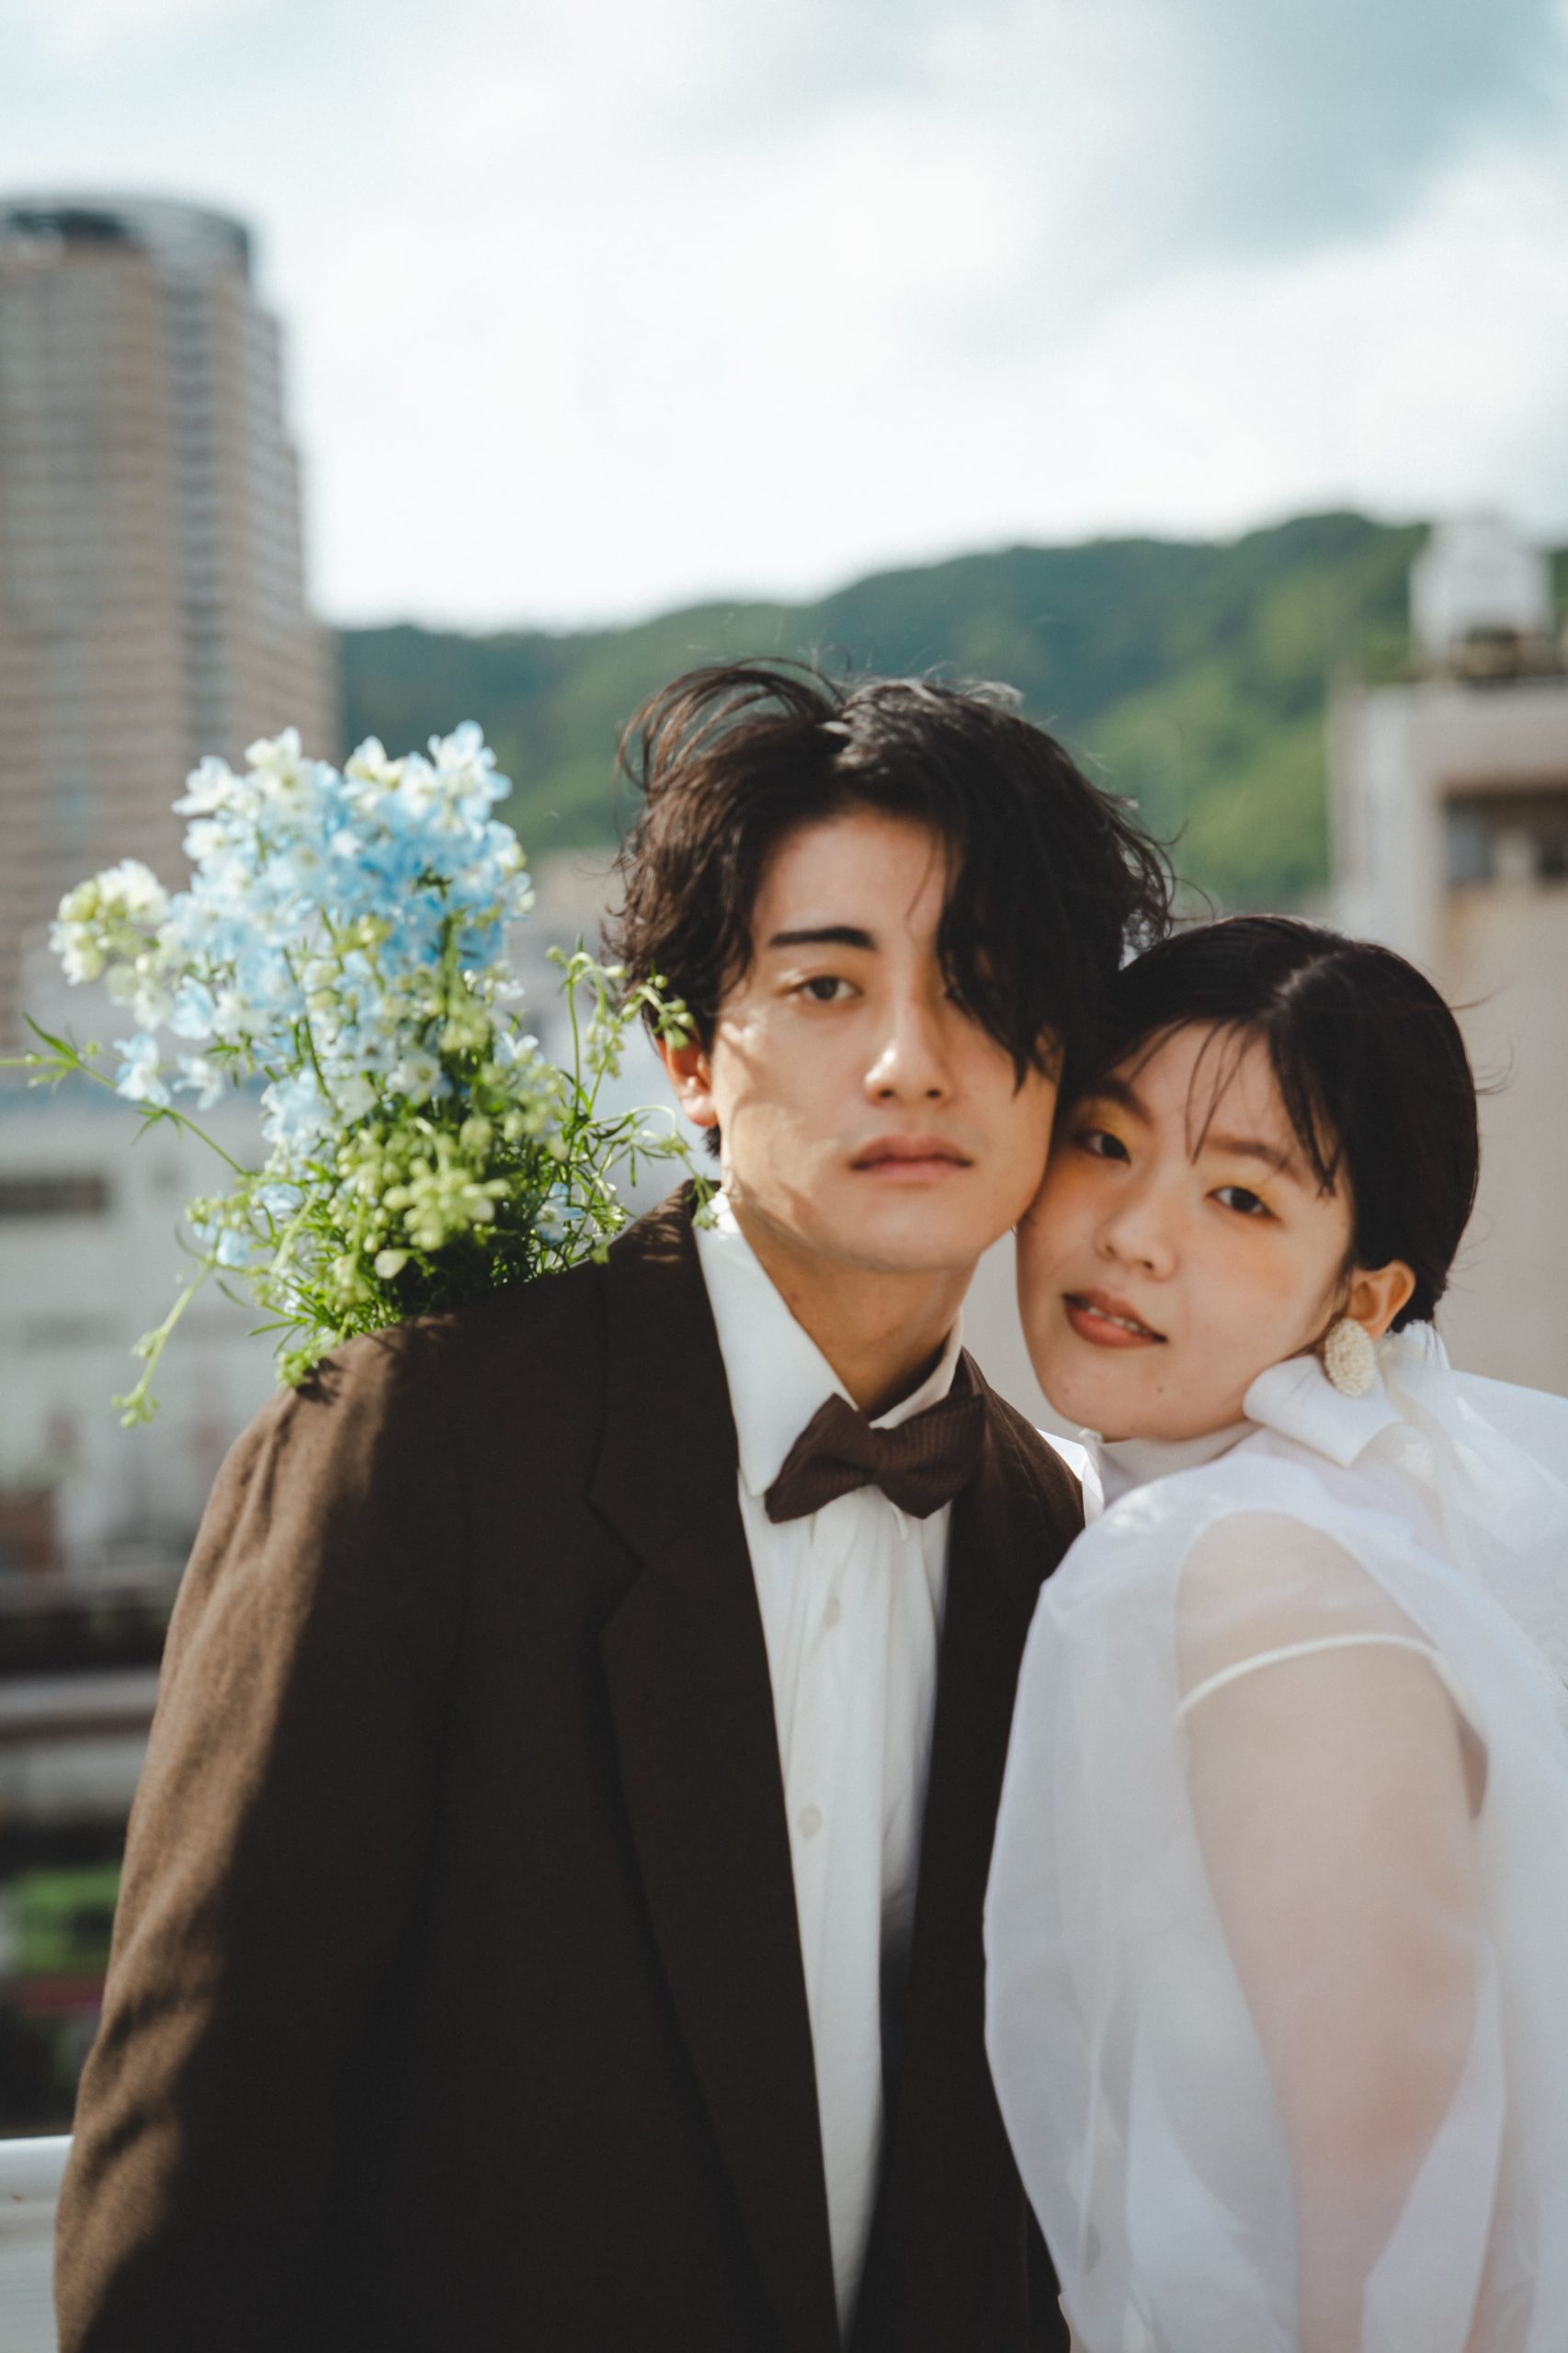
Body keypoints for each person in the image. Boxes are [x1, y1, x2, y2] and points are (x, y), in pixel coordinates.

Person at [57, 660, 1170, 2353]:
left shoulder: (1058, 1548)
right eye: (822, 986)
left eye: (987, 987)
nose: (907, 1061)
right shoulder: (414, 1451)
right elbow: (194, 2174)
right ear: (687, 1058)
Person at [984, 915, 1568, 2353]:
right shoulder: (1287, 1514)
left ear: (1361, 1297)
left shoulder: (1263, 1569)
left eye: (1240, 1199)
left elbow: (1395, 2201)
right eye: (1103, 1143)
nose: (1132, 1233)